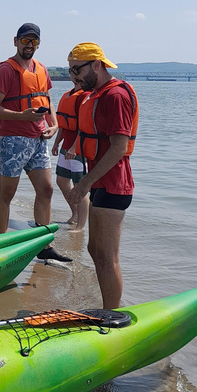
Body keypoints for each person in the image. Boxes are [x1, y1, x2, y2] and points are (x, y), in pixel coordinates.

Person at [0, 23, 69, 262]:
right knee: (7, 194)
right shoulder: (5, 70)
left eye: (34, 41)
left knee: (47, 189)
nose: (29, 45)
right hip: (12, 140)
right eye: (25, 41)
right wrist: (21, 116)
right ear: (16, 41)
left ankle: (44, 246)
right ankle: (0, 245)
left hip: (38, 139)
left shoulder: (41, 68)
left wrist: (54, 125)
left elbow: (47, 99)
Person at [65, 42, 139, 310]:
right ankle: (107, 306)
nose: (74, 77)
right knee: (95, 250)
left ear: (97, 64)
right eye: (70, 71)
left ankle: (111, 315)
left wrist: (84, 184)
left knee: (107, 256)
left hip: (114, 184)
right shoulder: (96, 94)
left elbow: (119, 147)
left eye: (77, 70)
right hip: (99, 182)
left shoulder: (115, 96)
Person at [50, 72, 89, 232]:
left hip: (79, 148)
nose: (75, 77)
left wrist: (74, 147)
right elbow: (63, 122)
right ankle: (74, 214)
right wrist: (56, 143)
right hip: (66, 145)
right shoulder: (68, 95)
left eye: (78, 73)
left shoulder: (84, 96)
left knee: (80, 186)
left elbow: (84, 125)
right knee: (61, 181)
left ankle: (80, 225)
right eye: (73, 73)